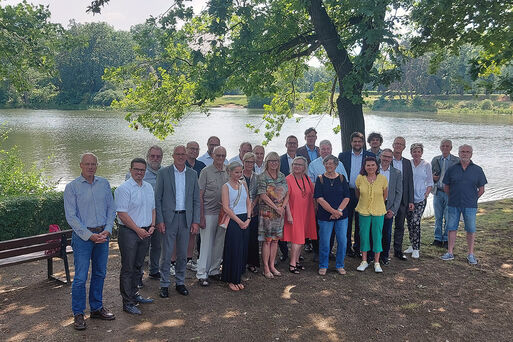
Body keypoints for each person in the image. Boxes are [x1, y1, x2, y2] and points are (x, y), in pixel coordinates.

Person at [64, 153, 116, 331]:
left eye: (93, 164)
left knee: (100, 273)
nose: (90, 167)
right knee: (80, 277)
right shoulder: (72, 187)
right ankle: (78, 313)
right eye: (87, 164)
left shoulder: (104, 184)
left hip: (103, 235)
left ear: (97, 166)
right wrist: (89, 235)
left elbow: (111, 208)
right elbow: (71, 217)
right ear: (80, 165)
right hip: (83, 238)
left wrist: (108, 229)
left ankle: (96, 308)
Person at [155, 146, 200, 298]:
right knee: (167, 254)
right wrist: (159, 220)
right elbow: (158, 199)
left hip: (186, 218)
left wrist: (195, 221)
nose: (181, 157)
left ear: (186, 156)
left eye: (183, 154)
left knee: (183, 254)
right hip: (169, 219)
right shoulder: (163, 173)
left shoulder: (193, 174)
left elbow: (196, 200)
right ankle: (164, 284)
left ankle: (180, 282)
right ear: (173, 156)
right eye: (178, 154)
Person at [115, 158, 155, 315]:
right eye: (137, 169)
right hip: (130, 233)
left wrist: (152, 225)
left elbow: (153, 208)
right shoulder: (123, 189)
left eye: (142, 170)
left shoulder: (148, 187)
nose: (140, 172)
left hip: (145, 231)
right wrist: (138, 230)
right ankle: (127, 302)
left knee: (138, 266)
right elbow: (122, 214)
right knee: (128, 267)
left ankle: (135, 294)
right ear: (131, 170)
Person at [441, 145, 487, 264]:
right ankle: (450, 252)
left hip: (470, 205)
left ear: (471, 154)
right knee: (451, 227)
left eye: (467, 152)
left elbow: (481, 190)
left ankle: (471, 254)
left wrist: (472, 198)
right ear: (459, 153)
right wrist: (454, 197)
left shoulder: (477, 169)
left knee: (470, 229)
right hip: (453, 204)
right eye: (462, 152)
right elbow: (446, 187)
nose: (465, 154)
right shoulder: (452, 169)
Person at [338, 132, 375, 257]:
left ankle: (359, 247)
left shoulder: (370, 155)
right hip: (347, 192)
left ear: (363, 143)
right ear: (351, 142)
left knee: (361, 222)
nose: (357, 143)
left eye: (359, 141)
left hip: (363, 193)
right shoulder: (343, 156)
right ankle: (347, 247)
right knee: (346, 222)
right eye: (355, 141)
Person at [308, 139, 348, 256]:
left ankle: (330, 252)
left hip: (338, 204)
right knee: (321, 230)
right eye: (323, 149)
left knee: (336, 232)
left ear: (331, 149)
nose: (325, 151)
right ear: (319, 150)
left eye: (328, 149)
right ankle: (318, 253)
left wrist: (338, 210)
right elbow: (312, 184)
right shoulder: (313, 164)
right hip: (320, 202)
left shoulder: (339, 164)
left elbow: (344, 181)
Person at [196, 146, 229, 286]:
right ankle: (202, 273)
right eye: (218, 155)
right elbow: (200, 195)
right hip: (209, 212)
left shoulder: (228, 171)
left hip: (223, 214)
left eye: (223, 156)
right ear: (213, 155)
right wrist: (201, 216)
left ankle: (214, 270)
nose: (220, 158)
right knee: (206, 244)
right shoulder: (206, 171)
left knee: (219, 243)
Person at [313, 155, 350, 275]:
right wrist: (333, 212)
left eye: (331, 164)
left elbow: (347, 196)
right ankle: (323, 265)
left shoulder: (342, 178)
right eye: (327, 163)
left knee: (342, 241)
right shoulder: (320, 179)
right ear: (324, 165)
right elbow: (319, 198)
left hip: (341, 216)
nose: (329, 166)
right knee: (324, 241)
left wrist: (339, 210)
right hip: (325, 216)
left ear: (336, 165)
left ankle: (340, 265)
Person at [257, 152, 289, 278]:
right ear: (267, 162)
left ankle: (272, 265)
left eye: (276, 160)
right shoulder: (262, 177)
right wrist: (276, 207)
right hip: (267, 213)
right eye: (271, 161)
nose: (274, 163)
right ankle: (265, 267)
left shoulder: (281, 176)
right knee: (267, 240)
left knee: (275, 240)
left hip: (279, 213)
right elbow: (262, 195)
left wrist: (282, 207)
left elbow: (287, 193)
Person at [221, 162, 252, 291]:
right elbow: (226, 207)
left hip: (245, 218)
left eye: (240, 172)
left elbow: (248, 202)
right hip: (234, 220)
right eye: (236, 172)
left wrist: (249, 218)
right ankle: (231, 278)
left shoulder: (243, 184)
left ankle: (238, 276)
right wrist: (239, 221)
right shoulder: (226, 187)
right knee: (234, 249)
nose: (239, 174)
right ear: (230, 172)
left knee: (243, 249)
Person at [283, 156, 317, 273]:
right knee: (297, 239)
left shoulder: (306, 178)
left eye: (299, 164)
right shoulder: (288, 179)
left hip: (306, 212)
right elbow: (285, 199)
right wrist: (288, 214)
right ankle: (292, 264)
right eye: (294, 164)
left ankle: (297, 260)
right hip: (294, 212)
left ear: (304, 167)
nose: (296, 166)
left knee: (302, 239)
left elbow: (312, 195)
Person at [355, 157, 388, 273]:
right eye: (368, 165)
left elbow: (384, 195)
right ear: (364, 167)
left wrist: (377, 204)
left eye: (373, 165)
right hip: (363, 211)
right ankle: (364, 260)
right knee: (363, 235)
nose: (370, 167)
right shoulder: (360, 178)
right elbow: (358, 193)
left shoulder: (383, 179)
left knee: (377, 236)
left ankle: (377, 262)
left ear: (377, 166)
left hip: (378, 211)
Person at [404, 143, 433, 259]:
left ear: (422, 153)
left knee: (416, 222)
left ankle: (416, 248)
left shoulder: (426, 165)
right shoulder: (407, 163)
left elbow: (430, 182)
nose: (416, 154)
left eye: (418, 151)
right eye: (414, 151)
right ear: (411, 152)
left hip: (420, 199)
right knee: (410, 223)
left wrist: (426, 194)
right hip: (408, 198)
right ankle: (412, 244)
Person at [431, 139, 459, 248]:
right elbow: (430, 175)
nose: (445, 148)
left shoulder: (456, 161)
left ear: (451, 148)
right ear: (440, 147)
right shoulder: (435, 159)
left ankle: (447, 239)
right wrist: (433, 178)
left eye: (447, 146)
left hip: (450, 193)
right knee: (438, 217)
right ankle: (437, 238)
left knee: (449, 217)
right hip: (437, 192)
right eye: (443, 146)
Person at [376, 149, 402, 265]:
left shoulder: (396, 173)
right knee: (375, 231)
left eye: (389, 157)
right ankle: (372, 254)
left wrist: (393, 210)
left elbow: (398, 193)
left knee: (386, 232)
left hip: (388, 205)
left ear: (392, 159)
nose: (386, 159)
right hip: (375, 204)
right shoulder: (374, 170)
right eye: (384, 156)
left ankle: (384, 256)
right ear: (380, 156)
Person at [141, 146, 163, 282]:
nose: (155, 159)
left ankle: (154, 270)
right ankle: (138, 275)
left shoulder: (166, 172)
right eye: (152, 156)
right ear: (148, 156)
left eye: (158, 156)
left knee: (157, 244)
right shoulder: (140, 172)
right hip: (143, 216)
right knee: (142, 247)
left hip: (159, 215)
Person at [184, 141, 207, 271]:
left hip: (196, 203)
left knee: (193, 232)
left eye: (196, 149)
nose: (194, 151)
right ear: (187, 150)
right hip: (183, 204)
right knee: (179, 234)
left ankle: (188, 259)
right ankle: (174, 261)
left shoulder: (201, 166)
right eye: (191, 149)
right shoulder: (182, 165)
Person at [391, 136, 414, 261]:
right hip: (389, 199)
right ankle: (383, 252)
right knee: (386, 226)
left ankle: (398, 251)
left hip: (403, 199)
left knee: (400, 226)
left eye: (401, 144)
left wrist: (411, 200)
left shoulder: (407, 163)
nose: (398, 146)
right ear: (393, 145)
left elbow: (410, 182)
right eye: (396, 143)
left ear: (404, 147)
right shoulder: (388, 160)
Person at [278, 135, 299, 260]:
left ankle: (296, 252)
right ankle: (284, 252)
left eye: (294, 143)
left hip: (297, 198)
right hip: (283, 197)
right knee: (283, 225)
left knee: (295, 224)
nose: (292, 145)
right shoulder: (280, 160)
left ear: (297, 145)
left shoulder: (302, 159)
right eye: (290, 143)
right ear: (286, 145)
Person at [241, 152, 260, 273]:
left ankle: (252, 262)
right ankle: (241, 261)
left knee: (253, 237)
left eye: (251, 162)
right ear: (243, 162)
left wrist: (252, 206)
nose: (249, 164)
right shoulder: (238, 175)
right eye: (247, 161)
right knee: (242, 237)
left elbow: (259, 193)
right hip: (241, 211)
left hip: (253, 211)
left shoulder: (257, 177)